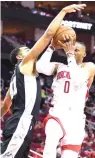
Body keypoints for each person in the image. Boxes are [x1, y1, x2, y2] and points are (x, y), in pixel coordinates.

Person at [0, 4, 86, 158]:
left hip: (20, 124)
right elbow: (47, 35)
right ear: (20, 57)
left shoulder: (17, 78)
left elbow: (6, 105)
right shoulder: (25, 64)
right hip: (21, 124)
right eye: (26, 51)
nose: (31, 51)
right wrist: (63, 11)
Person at [36, 36, 95, 158]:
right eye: (72, 49)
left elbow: (77, 78)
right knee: (49, 147)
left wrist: (70, 56)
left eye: (77, 50)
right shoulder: (59, 67)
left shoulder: (89, 67)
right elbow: (39, 67)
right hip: (57, 113)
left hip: (76, 119)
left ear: (84, 54)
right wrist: (51, 47)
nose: (73, 51)